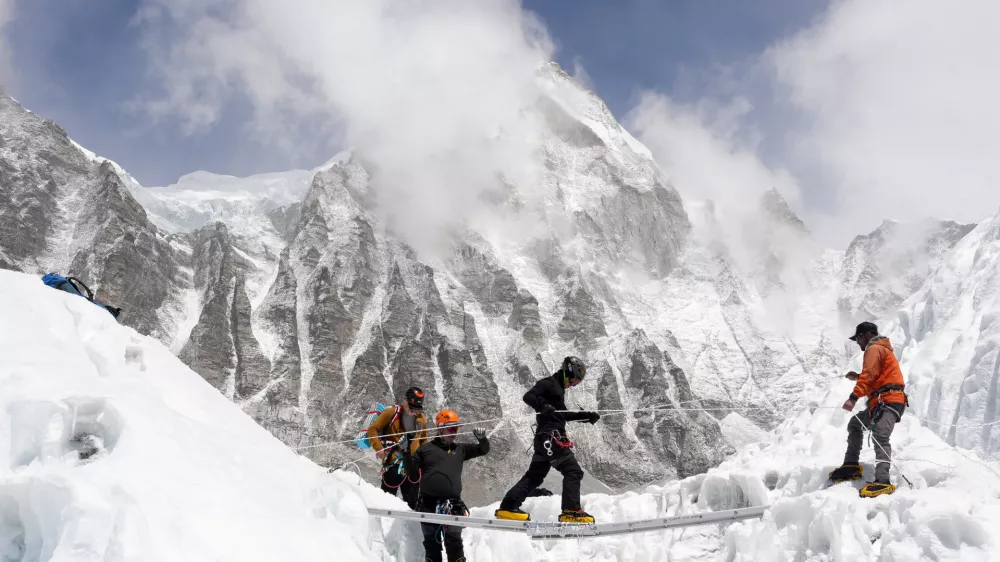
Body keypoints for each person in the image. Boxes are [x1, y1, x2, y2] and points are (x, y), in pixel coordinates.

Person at [495, 356, 600, 523]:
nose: (572, 385)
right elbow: (528, 396)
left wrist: (586, 416)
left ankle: (508, 506)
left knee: (534, 476)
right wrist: (543, 405)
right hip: (551, 438)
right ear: (566, 373)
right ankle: (571, 510)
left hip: (544, 440)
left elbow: (563, 415)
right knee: (573, 471)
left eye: (576, 384)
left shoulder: (558, 389)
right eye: (573, 381)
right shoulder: (548, 384)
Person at [829, 322, 908, 497]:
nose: (857, 342)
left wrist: (853, 398)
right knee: (855, 425)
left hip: (889, 400)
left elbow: (869, 376)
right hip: (883, 401)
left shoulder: (874, 348)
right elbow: (875, 377)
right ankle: (851, 465)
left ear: (868, 334)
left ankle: (883, 481)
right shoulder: (880, 349)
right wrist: (858, 377)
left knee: (880, 434)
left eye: (858, 338)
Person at [407, 410, 489, 562]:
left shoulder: (461, 449)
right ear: (440, 428)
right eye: (451, 429)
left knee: (455, 545)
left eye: (456, 429)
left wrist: (483, 440)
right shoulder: (424, 450)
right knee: (431, 545)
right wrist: (406, 451)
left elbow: (483, 450)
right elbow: (411, 474)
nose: (454, 433)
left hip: (453, 504)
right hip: (428, 504)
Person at [366, 386, 429, 509]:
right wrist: (379, 448)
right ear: (405, 402)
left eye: (417, 409)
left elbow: (423, 440)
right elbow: (372, 429)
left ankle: (409, 526)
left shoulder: (421, 419)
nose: (415, 412)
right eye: (412, 408)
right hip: (393, 464)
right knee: (387, 500)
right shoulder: (392, 413)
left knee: (412, 503)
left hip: (413, 466)